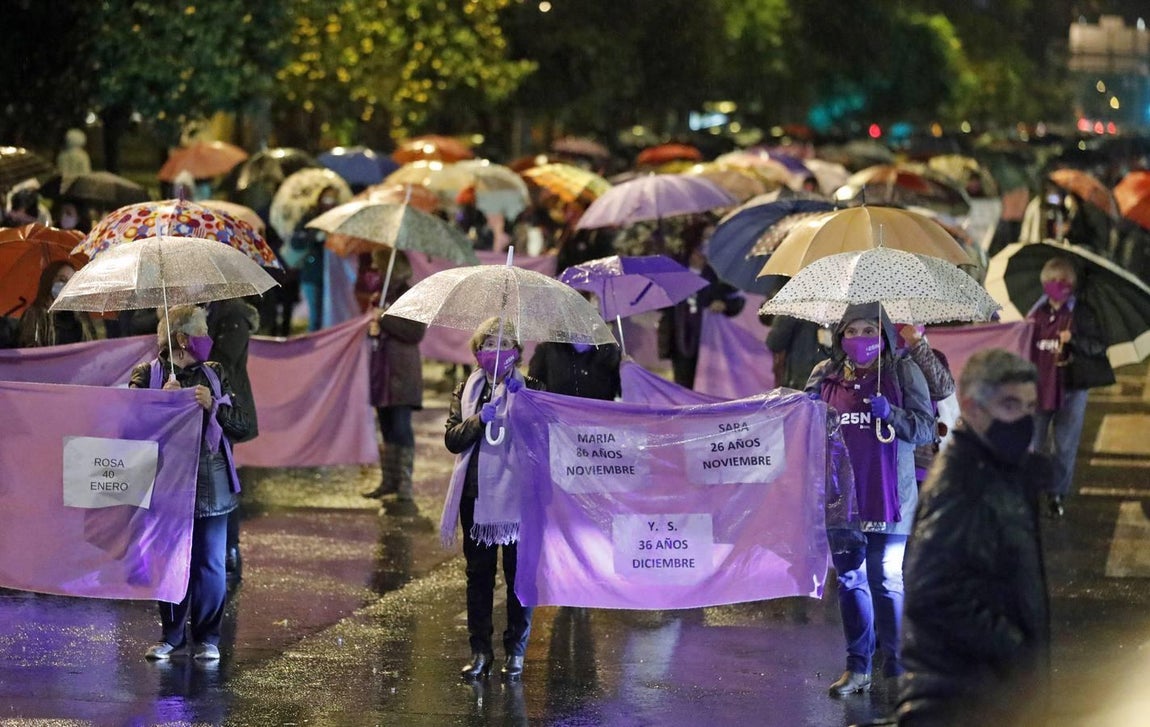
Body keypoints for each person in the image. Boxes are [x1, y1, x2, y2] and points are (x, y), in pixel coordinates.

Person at [898, 349, 1051, 726]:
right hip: (959, 702)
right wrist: (1018, 650)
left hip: (992, 695)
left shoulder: (1002, 470)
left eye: (1031, 406)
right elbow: (932, 593)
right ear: (971, 407)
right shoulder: (961, 485)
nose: (1025, 419)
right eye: (1011, 405)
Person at [805, 303, 934, 697]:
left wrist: (892, 414)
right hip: (841, 497)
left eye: (868, 330)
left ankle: (896, 669)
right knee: (850, 579)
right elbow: (799, 426)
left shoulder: (902, 370)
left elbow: (925, 428)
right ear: (839, 336)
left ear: (884, 334)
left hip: (889, 496)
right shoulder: (823, 374)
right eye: (852, 331)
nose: (859, 338)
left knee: (885, 578)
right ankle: (857, 667)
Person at [131, 305, 249, 661]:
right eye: (200, 330)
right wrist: (158, 403)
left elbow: (240, 425)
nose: (207, 338)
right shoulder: (146, 375)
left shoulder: (214, 374)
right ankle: (171, 636)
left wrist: (214, 405)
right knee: (168, 560)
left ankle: (208, 637)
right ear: (182, 338)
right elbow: (129, 427)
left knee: (210, 563)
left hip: (212, 486)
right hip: (166, 485)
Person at [442, 318, 544, 682]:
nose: (494, 353)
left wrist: (524, 404)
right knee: (479, 575)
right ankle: (480, 651)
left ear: (517, 352)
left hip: (517, 499)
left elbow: (542, 439)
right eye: (487, 345)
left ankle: (515, 650)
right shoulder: (466, 390)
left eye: (503, 346)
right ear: (476, 351)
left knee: (518, 576)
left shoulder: (529, 388)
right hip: (476, 496)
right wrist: (476, 422)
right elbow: (452, 440)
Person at [1027, 256, 1114, 518]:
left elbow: (1099, 346)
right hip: (1040, 388)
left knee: (1064, 445)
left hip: (1072, 389)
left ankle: (1057, 493)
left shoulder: (1082, 313)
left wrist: (1074, 339)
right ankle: (1029, 489)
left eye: (1063, 282)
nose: (1058, 286)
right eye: (1053, 281)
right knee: (1033, 443)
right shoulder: (1036, 313)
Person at [362, 250, 427, 502]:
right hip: (382, 370)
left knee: (400, 428)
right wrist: (373, 325)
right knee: (387, 427)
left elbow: (415, 332)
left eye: (378, 267)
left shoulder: (410, 296)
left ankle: (404, 484)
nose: (374, 272)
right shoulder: (381, 296)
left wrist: (385, 320)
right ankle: (388, 480)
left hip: (401, 373)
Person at [206, 298, 261, 584]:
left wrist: (196, 344)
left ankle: (229, 548)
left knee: (224, 478)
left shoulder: (232, 313)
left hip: (226, 408)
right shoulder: (208, 309)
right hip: (210, 405)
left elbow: (223, 360)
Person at [657, 244, 745, 389]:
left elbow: (736, 299)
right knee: (683, 383)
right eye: (698, 251)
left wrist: (723, 304)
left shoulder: (715, 276)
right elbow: (661, 305)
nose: (701, 256)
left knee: (707, 384)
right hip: (679, 337)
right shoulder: (675, 274)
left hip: (707, 342)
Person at [894, 324, 955, 485]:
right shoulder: (877, 358)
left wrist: (916, 344)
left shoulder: (931, 355)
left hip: (921, 462)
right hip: (884, 458)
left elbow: (943, 388)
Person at [287, 186, 339, 331]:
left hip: (333, 275)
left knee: (329, 316)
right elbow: (296, 242)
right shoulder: (310, 217)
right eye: (327, 197)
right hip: (312, 273)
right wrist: (315, 236)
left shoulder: (339, 218)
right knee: (315, 317)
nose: (330, 202)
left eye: (334, 198)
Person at [17, 261, 95, 347]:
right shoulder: (35, 315)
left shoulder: (81, 316)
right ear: (49, 282)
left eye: (71, 282)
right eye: (62, 280)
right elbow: (30, 350)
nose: (66, 286)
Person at [527, 338, 621, 401]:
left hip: (601, 425)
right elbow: (534, 390)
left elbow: (621, 391)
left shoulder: (610, 351)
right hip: (559, 425)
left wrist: (628, 370)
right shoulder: (546, 350)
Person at [763, 313, 831, 390]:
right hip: (798, 383)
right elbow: (774, 343)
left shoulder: (832, 312)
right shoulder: (793, 309)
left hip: (822, 383)